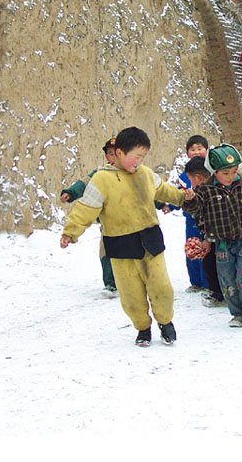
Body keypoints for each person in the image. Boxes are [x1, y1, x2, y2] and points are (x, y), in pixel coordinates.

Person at [60, 127, 194, 347]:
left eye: (143, 157)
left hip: (150, 241)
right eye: (136, 156)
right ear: (119, 153)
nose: (139, 161)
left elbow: (164, 191)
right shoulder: (101, 179)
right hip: (120, 247)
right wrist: (70, 232)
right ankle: (142, 328)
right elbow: (85, 209)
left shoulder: (145, 174)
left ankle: (166, 322)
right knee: (131, 296)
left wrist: (183, 197)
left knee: (162, 288)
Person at [183, 143, 242, 329]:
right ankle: (237, 313)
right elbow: (197, 210)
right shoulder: (205, 190)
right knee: (227, 278)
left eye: (234, 171)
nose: (231, 176)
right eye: (226, 173)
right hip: (222, 242)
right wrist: (189, 200)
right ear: (214, 172)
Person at [60, 137, 118, 296]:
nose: (114, 157)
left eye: (117, 154)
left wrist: (162, 204)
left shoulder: (130, 172)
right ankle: (111, 284)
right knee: (106, 252)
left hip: (130, 222)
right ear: (107, 156)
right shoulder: (100, 173)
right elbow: (84, 183)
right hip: (108, 224)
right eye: (110, 154)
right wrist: (70, 193)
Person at [183, 156, 226, 308]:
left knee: (213, 263)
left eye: (191, 179)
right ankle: (219, 293)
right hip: (211, 235)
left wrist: (208, 239)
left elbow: (210, 218)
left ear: (198, 177)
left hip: (219, 236)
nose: (191, 184)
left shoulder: (207, 192)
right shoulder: (211, 188)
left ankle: (221, 295)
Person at [179, 135, 210, 293]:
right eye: (192, 149)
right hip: (191, 220)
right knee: (192, 247)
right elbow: (178, 193)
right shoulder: (186, 174)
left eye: (200, 148)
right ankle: (195, 281)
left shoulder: (211, 170)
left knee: (206, 249)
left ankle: (207, 283)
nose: (196, 152)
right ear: (187, 153)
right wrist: (170, 206)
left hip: (207, 219)